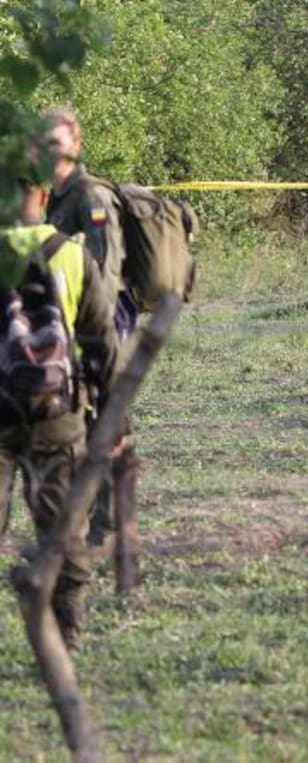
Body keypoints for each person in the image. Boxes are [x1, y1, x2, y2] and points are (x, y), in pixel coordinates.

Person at [0, 176, 119, 651]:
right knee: (63, 529)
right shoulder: (73, 254)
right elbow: (102, 343)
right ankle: (65, 632)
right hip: (59, 413)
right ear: (45, 198)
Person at [39, 106, 134, 547]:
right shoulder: (53, 198)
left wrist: (88, 327)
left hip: (102, 319)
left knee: (104, 418)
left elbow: (105, 269)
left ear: (74, 146)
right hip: (69, 322)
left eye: (56, 143)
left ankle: (109, 522)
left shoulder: (89, 196)